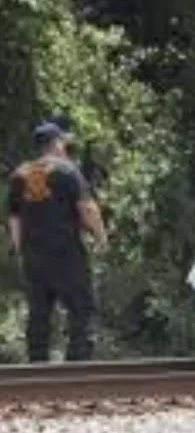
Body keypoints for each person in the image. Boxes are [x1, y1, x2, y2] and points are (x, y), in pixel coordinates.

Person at [5, 121, 107, 362]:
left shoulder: (21, 174)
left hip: (34, 256)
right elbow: (87, 209)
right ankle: (78, 364)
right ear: (57, 143)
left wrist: (19, 248)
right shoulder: (67, 171)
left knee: (39, 312)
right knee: (82, 308)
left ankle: (37, 365)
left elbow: (14, 217)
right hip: (66, 253)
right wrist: (101, 237)